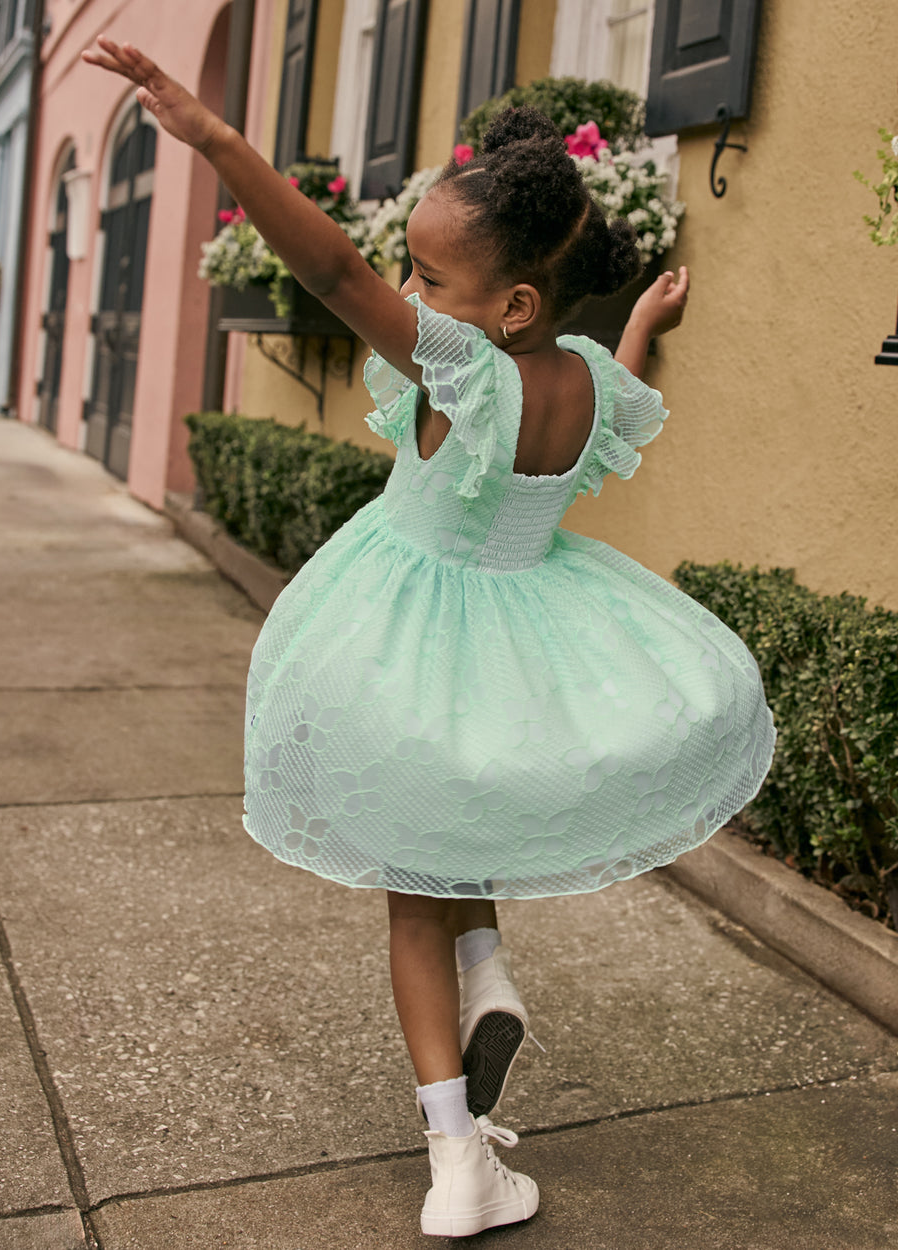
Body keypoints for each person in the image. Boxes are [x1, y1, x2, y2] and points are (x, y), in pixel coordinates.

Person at [84, 38, 775, 1239]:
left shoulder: (466, 371)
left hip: (406, 625)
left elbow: (331, 267)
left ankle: (458, 1160)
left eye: (430, 280)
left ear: (511, 307)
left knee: (412, 889)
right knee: (471, 791)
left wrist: (217, 139)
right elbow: (613, 379)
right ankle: (488, 969)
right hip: (521, 617)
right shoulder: (584, 384)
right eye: (410, 271)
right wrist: (644, 319)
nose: (406, 295)